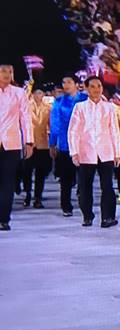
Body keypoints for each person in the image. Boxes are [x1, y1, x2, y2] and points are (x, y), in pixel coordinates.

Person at [67, 76, 120, 228]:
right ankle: (87, 216)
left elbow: (114, 131)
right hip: (86, 151)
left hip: (106, 152)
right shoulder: (80, 107)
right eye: (92, 86)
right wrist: (74, 152)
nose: (96, 89)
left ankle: (108, 217)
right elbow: (73, 131)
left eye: (99, 86)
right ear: (86, 88)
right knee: (85, 186)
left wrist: (117, 153)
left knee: (107, 186)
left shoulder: (109, 107)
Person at [0, 64, 33, 231]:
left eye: (9, 71)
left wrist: (29, 142)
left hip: (11, 143)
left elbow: (25, 118)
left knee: (7, 182)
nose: (6, 74)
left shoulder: (19, 93)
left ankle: (4, 219)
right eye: (3, 71)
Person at [49, 75, 87, 217]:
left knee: (84, 177)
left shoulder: (85, 99)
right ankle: (66, 205)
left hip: (84, 144)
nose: (66, 85)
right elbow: (55, 124)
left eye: (69, 82)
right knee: (66, 178)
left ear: (76, 84)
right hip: (66, 145)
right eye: (63, 82)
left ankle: (85, 203)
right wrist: (52, 143)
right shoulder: (59, 102)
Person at [23, 84, 52, 208]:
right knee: (27, 171)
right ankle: (28, 193)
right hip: (30, 143)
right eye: (36, 93)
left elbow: (51, 125)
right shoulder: (26, 107)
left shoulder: (49, 108)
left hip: (43, 144)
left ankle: (38, 197)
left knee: (41, 172)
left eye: (41, 93)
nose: (38, 96)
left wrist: (52, 142)